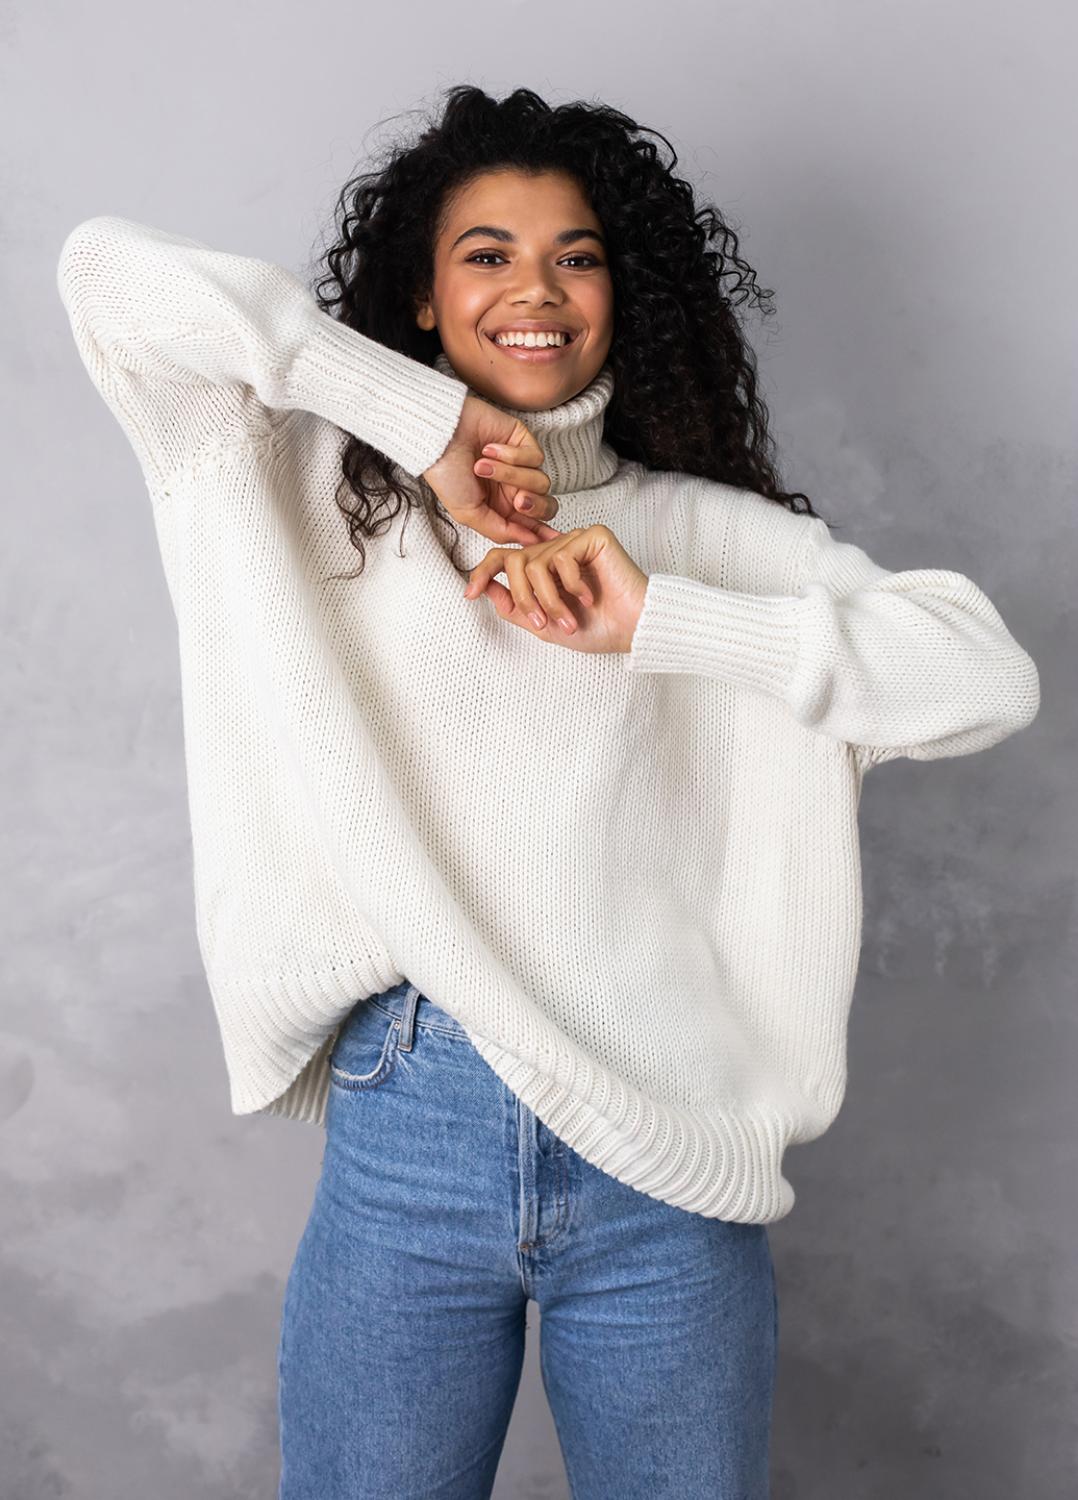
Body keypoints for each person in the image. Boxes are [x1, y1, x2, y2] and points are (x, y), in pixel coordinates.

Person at [56, 85, 1040, 1500]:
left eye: (575, 256)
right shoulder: (294, 479)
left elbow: (986, 677)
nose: (536, 289)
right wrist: (419, 424)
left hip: (669, 1166)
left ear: (620, 294)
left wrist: (664, 621)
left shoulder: (705, 538)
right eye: (487, 254)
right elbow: (104, 272)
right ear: (421, 295)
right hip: (412, 1134)